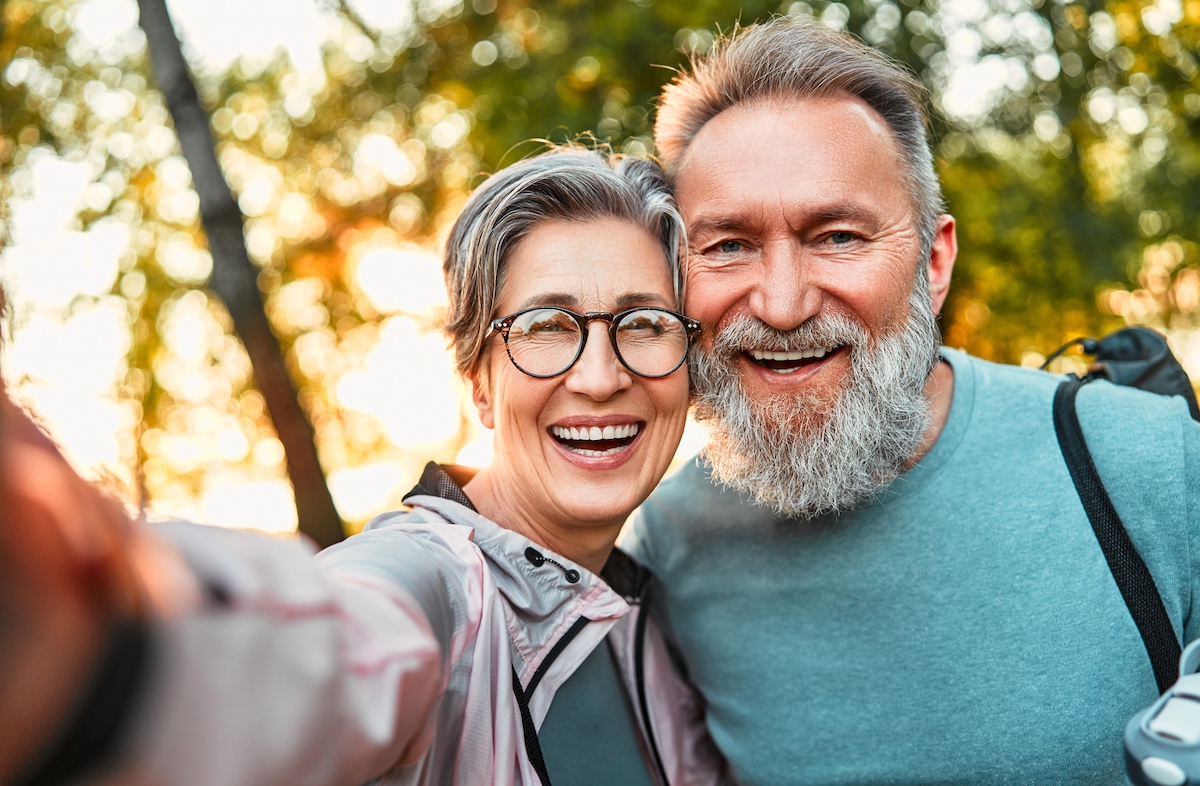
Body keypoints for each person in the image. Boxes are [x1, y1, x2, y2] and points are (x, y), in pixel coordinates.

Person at [0, 149, 727, 786]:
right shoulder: (434, 587)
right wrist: (109, 632)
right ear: (479, 381)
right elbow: (333, 647)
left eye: (644, 324)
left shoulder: (656, 622)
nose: (600, 377)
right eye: (544, 327)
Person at [624, 16, 1200, 786]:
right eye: (727, 245)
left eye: (837, 236)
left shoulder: (1149, 462)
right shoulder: (668, 544)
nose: (784, 304)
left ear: (933, 262)